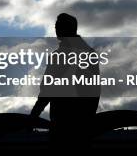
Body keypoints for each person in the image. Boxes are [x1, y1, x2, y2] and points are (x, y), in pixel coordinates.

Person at [30, 13, 100, 148]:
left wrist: (34, 115)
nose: (55, 29)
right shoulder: (88, 53)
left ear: (66, 28)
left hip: (63, 123)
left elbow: (48, 89)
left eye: (58, 26)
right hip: (83, 124)